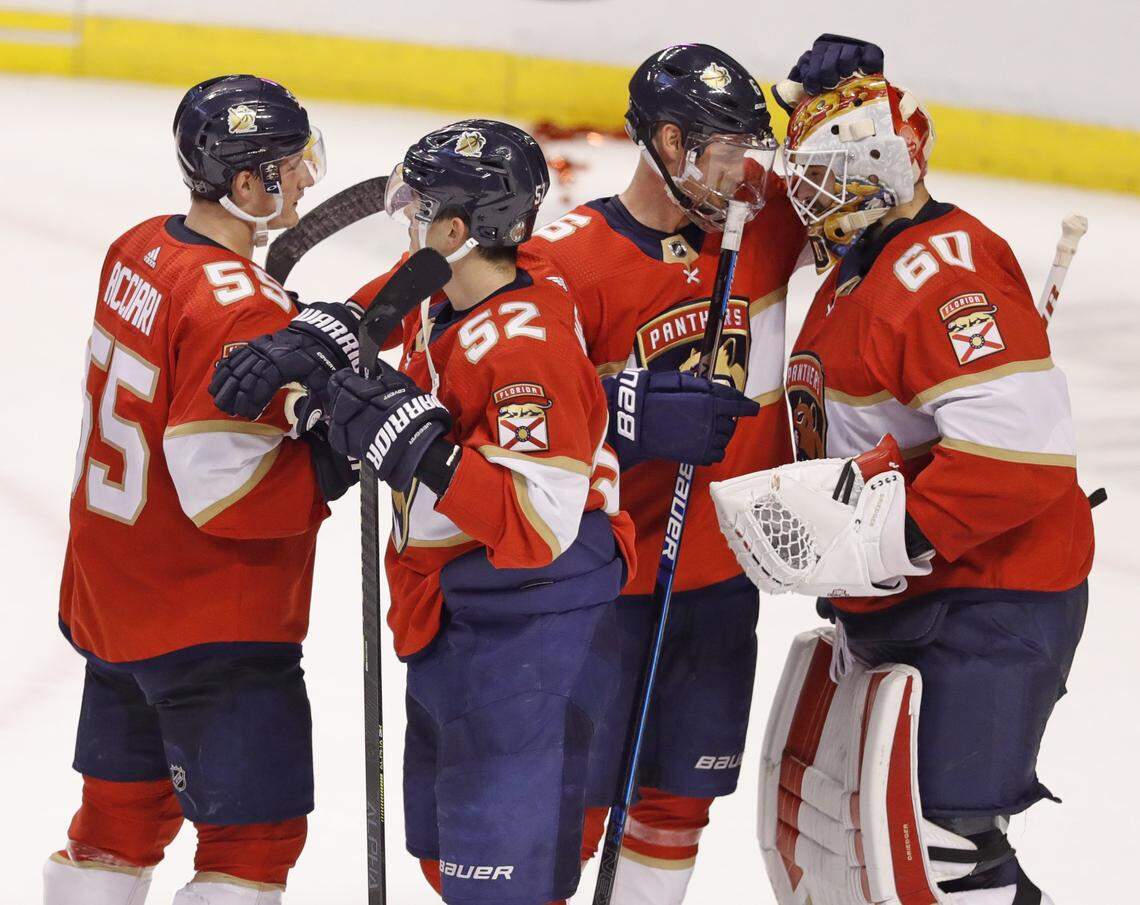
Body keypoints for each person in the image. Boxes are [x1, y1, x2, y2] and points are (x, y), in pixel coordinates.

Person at [216, 119, 637, 905]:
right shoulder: (467, 283)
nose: (407, 220)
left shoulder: (525, 347)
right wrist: (312, 339)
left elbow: (542, 523)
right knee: (450, 859)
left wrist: (419, 448)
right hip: (463, 611)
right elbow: (390, 303)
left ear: (455, 230)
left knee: (503, 886)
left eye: (420, 207)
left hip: (528, 629)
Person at [711, 73, 1093, 905]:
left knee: (947, 856)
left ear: (881, 164)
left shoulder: (941, 272)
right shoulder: (864, 263)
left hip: (987, 600)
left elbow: (1017, 455)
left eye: (825, 169)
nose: (807, 189)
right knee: (874, 853)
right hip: (914, 597)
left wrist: (888, 537)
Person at [514, 38, 879, 903]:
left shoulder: (762, 214)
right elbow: (519, 410)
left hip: (720, 579)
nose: (746, 172)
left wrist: (852, 97)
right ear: (672, 145)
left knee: (679, 802)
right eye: (727, 152)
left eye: (753, 151)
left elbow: (866, 187)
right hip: (605, 586)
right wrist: (623, 412)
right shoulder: (568, 260)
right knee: (571, 808)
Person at [46, 74, 358, 905]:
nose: (304, 178)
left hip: (112, 597)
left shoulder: (139, 246)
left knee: (115, 823)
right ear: (247, 183)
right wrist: (335, 458)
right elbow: (223, 489)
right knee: (252, 843)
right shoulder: (243, 308)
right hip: (209, 621)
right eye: (289, 164)